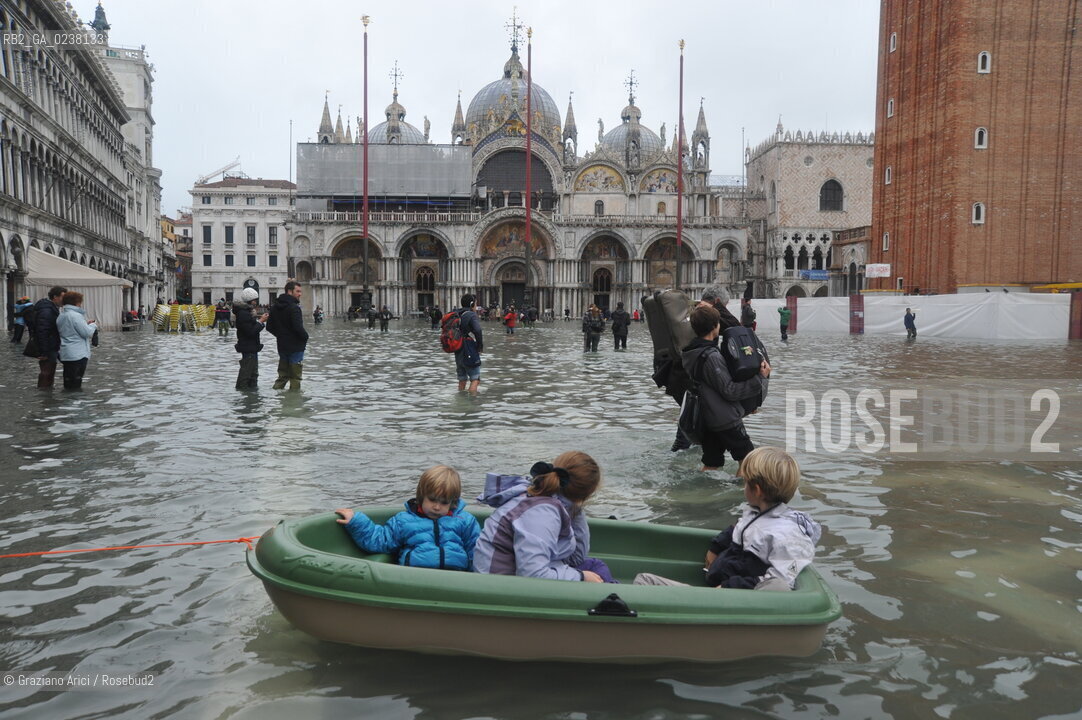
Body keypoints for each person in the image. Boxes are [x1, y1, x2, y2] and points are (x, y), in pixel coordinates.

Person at [633, 447, 821, 591]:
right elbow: (739, 529)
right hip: (722, 587)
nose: (743, 487)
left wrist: (730, 588)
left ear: (756, 490)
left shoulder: (786, 536)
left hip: (728, 600)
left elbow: (777, 582)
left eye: (745, 482)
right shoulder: (759, 512)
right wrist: (716, 546)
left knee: (643, 581)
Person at [473, 451, 614, 583]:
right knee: (597, 576)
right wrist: (581, 577)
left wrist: (576, 508)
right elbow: (533, 574)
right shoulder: (542, 513)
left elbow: (575, 558)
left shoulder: (548, 500)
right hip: (502, 585)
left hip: (517, 574)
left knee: (595, 566)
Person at [335, 465, 481, 571]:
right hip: (414, 577)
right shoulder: (404, 521)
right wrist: (356, 521)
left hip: (454, 578)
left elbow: (475, 552)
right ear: (422, 496)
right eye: (432, 500)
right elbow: (380, 540)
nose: (437, 507)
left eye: (444, 502)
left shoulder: (465, 521)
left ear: (453, 501)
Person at [683, 304, 770, 471]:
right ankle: (735, 495)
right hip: (725, 420)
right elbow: (730, 390)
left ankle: (703, 493)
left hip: (708, 417)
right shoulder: (711, 357)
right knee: (748, 462)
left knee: (711, 464)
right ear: (715, 326)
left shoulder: (692, 352)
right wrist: (760, 378)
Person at [266, 280, 308, 391]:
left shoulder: (275, 307)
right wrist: (305, 337)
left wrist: (281, 335)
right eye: (298, 291)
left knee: (282, 377)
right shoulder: (294, 307)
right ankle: (294, 404)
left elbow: (269, 327)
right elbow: (298, 328)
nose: (300, 294)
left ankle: (276, 396)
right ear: (290, 291)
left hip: (282, 346)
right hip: (296, 347)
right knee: (295, 377)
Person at [55, 291, 97, 391]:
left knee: (68, 381)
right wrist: (93, 325)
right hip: (78, 354)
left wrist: (85, 324)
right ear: (77, 302)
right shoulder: (76, 316)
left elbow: (70, 330)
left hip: (66, 353)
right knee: (76, 383)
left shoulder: (61, 315)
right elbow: (87, 333)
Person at [31, 286, 66, 389]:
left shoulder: (50, 308)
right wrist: (44, 352)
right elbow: (43, 331)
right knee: (47, 373)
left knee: (48, 372)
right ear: (55, 297)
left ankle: (46, 395)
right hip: (48, 347)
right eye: (62, 297)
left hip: (51, 345)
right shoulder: (47, 310)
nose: (64, 300)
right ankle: (44, 396)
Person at [233, 288, 268, 390]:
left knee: (253, 375)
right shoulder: (243, 314)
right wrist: (261, 321)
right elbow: (250, 332)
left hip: (251, 348)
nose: (256, 302)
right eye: (254, 300)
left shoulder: (245, 313)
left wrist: (258, 321)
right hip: (248, 348)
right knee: (246, 376)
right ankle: (246, 397)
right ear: (249, 301)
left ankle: (252, 396)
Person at [454, 293, 484, 393]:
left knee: (462, 380)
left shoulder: (456, 313)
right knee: (475, 379)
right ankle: (471, 404)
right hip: (468, 348)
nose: (476, 306)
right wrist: (479, 347)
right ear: (472, 304)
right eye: (475, 304)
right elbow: (478, 330)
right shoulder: (471, 314)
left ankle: (461, 402)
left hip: (457, 349)